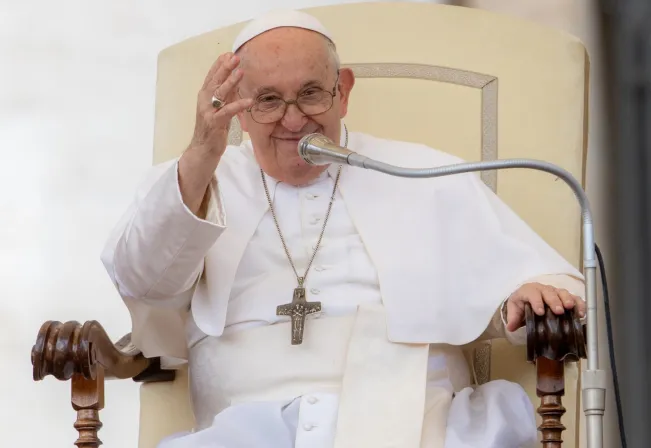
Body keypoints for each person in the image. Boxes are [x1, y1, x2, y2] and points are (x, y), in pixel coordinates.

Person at [101, 9, 586, 448]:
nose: (293, 120)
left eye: (311, 94)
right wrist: (200, 156)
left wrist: (524, 298)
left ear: (344, 91)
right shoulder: (198, 176)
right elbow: (142, 279)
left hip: (414, 420)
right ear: (239, 109)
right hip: (242, 424)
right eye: (268, 101)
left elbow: (542, 284)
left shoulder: (419, 172)